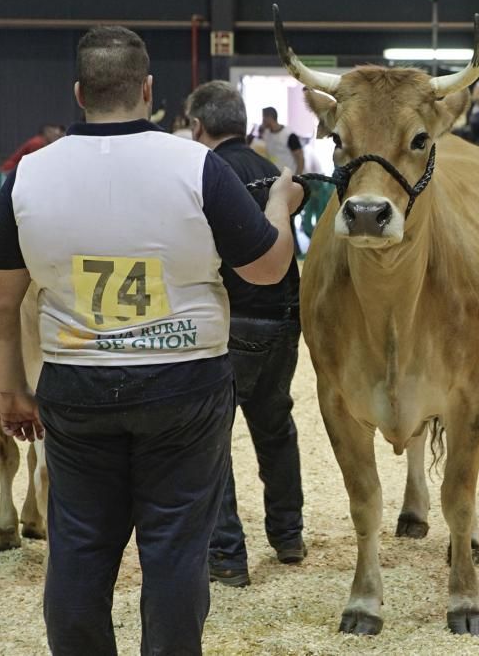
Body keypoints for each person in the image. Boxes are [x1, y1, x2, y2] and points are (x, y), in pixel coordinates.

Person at [0, 26, 302, 655]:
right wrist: (281, 208)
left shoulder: (26, 177)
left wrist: (11, 390)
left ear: (79, 93)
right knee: (177, 548)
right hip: (185, 381)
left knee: (78, 546)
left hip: (75, 384)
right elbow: (264, 268)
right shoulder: (195, 165)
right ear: (149, 91)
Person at [185, 80, 306, 587]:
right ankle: (289, 536)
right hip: (284, 317)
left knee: (211, 438)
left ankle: (228, 556)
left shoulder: (205, 172)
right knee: (276, 425)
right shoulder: (271, 170)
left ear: (197, 125)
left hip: (231, 320)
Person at [0, 124, 64, 173]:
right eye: (53, 133)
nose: (56, 136)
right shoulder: (37, 143)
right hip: (11, 170)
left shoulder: (42, 143)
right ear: (47, 132)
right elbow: (36, 164)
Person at [260, 106, 304, 174]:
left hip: (289, 177)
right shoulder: (266, 133)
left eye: (263, 118)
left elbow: (300, 158)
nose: (262, 121)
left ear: (270, 117)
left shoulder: (289, 135)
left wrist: (298, 177)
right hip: (274, 176)